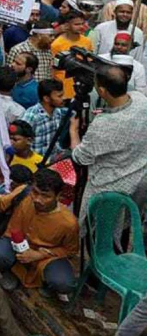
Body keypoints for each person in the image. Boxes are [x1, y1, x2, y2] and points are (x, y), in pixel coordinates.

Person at [70, 64, 147, 220]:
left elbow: (80, 157)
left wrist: (73, 131)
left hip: (107, 190)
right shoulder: (141, 100)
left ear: (102, 91)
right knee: (128, 224)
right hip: (139, 181)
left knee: (101, 234)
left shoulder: (103, 125)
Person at [0, 168, 79, 293]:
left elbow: (70, 250)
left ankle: (44, 282)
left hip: (45, 257)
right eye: (35, 192)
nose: (37, 199)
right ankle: (13, 271)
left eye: (46, 196)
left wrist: (40, 254)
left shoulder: (69, 223)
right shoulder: (25, 197)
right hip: (17, 245)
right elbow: (0, 203)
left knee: (64, 284)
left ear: (58, 196)